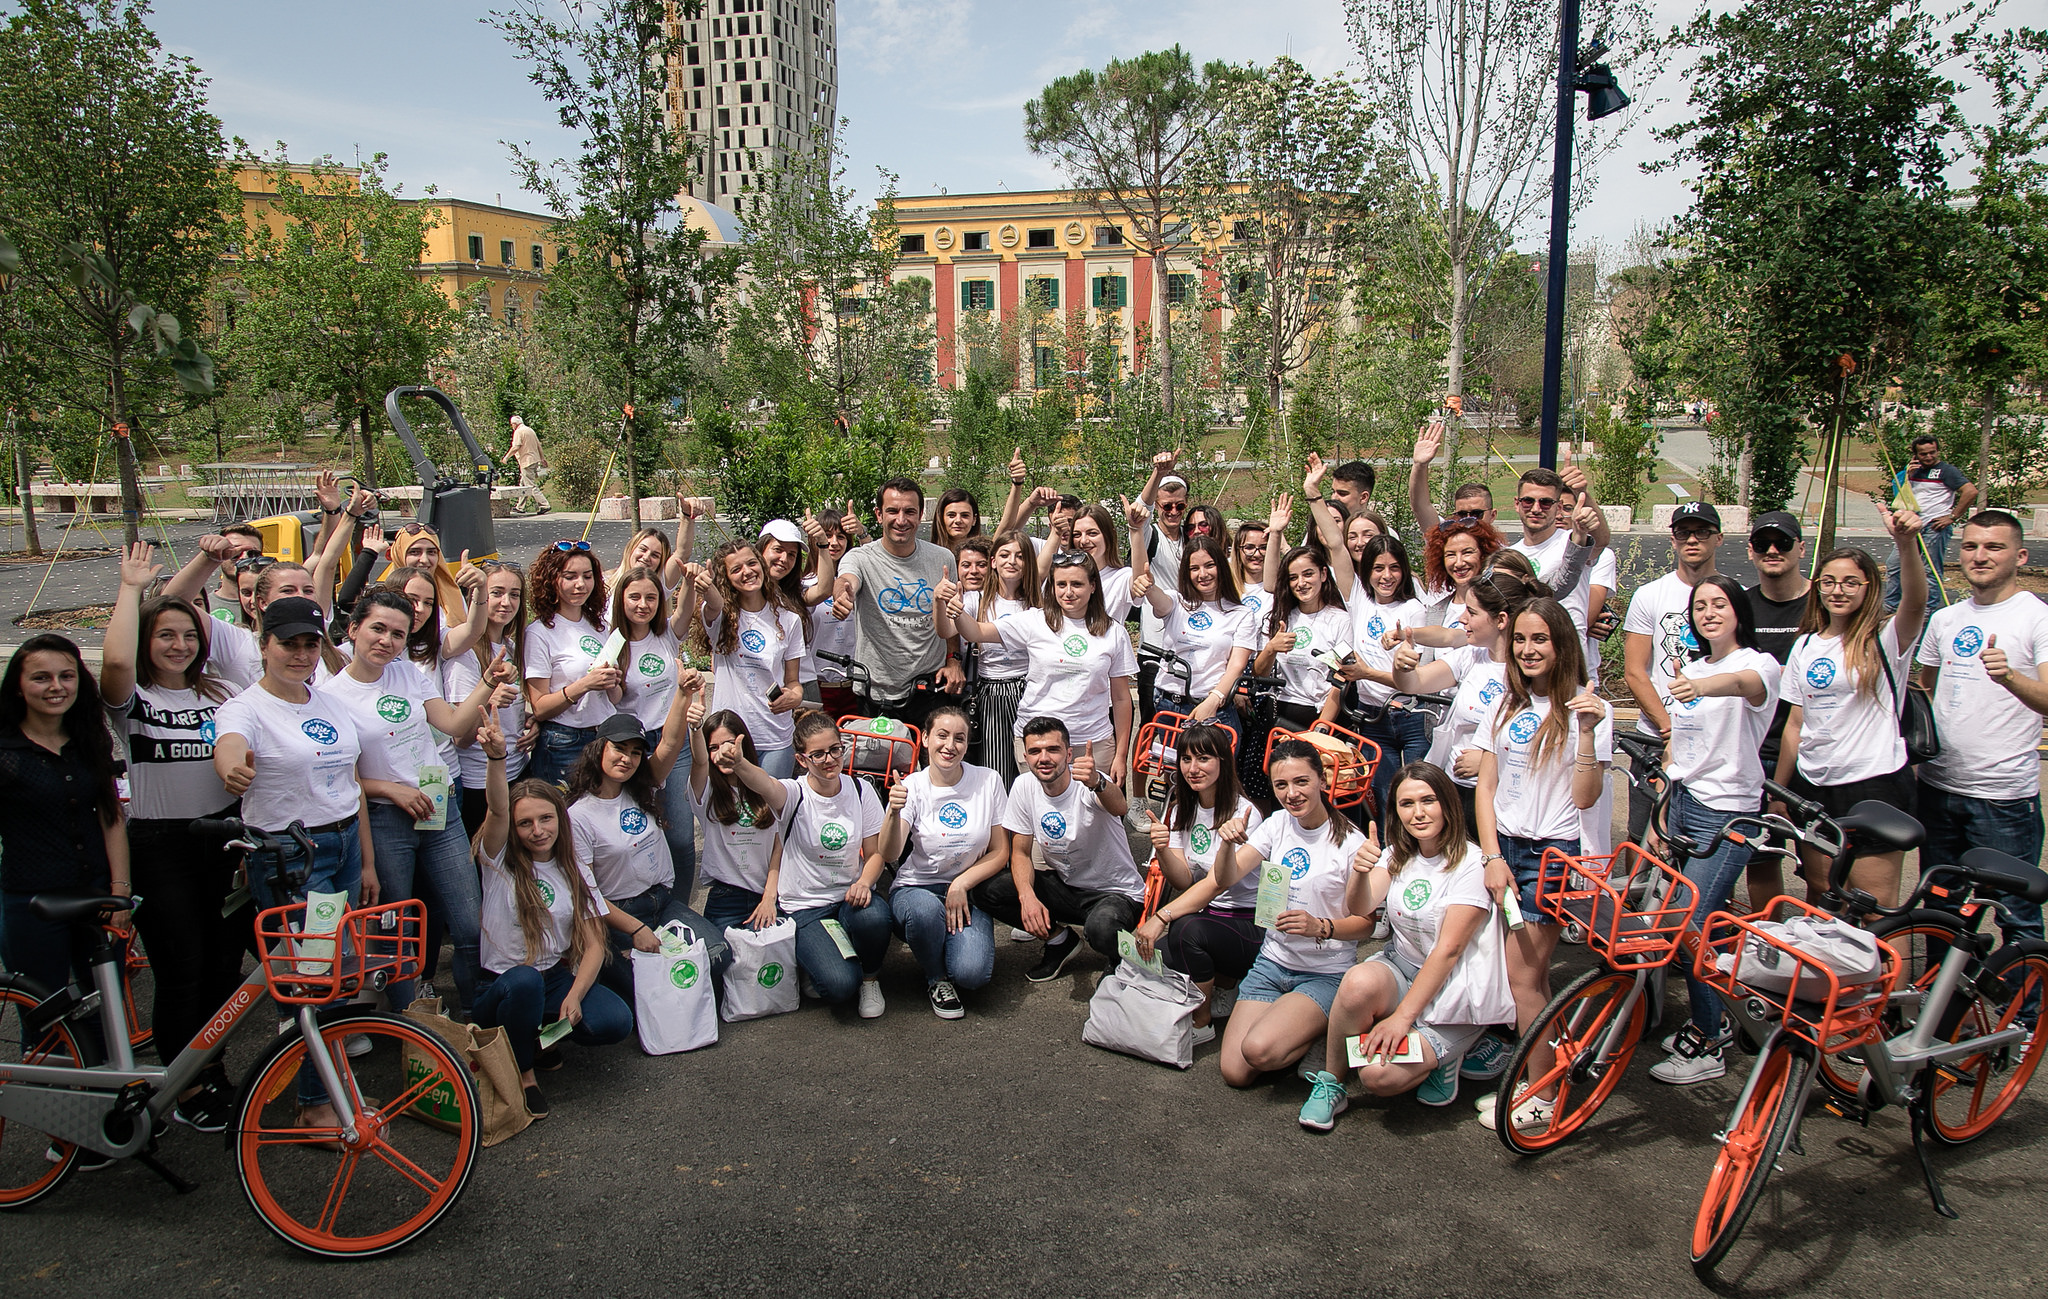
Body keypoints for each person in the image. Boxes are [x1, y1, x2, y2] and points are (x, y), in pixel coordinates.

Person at [211, 597, 376, 1134]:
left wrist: (367, 860)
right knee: (318, 978)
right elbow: (230, 748)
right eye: (288, 643)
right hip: (292, 858)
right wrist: (233, 770)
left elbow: (351, 784)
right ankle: (314, 1102)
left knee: (337, 974)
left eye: (310, 644)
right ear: (263, 646)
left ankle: (330, 1084)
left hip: (345, 844)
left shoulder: (327, 701)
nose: (301, 654)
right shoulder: (244, 708)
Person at [98, 543, 246, 1130]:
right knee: (181, 969)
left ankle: (213, 1070)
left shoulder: (220, 693)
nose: (179, 645)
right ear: (146, 643)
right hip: (161, 847)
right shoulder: (133, 698)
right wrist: (132, 590)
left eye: (188, 635)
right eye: (165, 636)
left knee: (220, 971)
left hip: (225, 843)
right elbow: (112, 666)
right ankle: (181, 1087)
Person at [327, 588, 516, 1013]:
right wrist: (390, 789)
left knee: (469, 922)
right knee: (397, 929)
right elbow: (344, 778)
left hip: (440, 807)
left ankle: (475, 1016)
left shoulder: (409, 675)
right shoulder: (331, 696)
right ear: (353, 630)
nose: (387, 641)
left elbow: (451, 724)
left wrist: (487, 683)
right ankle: (413, 1026)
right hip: (385, 820)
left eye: (397, 633)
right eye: (377, 628)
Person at [1471, 597, 1612, 1133]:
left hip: (1551, 856)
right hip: (1503, 849)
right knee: (1518, 978)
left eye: (1541, 640)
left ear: (1562, 646)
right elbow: (1484, 788)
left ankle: (1544, 1092)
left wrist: (1590, 734)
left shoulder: (1585, 709)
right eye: (1523, 640)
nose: (1529, 650)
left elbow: (1585, 797)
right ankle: (1538, 1075)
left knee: (1526, 980)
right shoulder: (1505, 704)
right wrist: (1490, 857)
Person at [1302, 762, 1508, 1128]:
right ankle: (1331, 1082)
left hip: (1453, 991)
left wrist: (1401, 1019)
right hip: (1403, 968)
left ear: (1448, 803)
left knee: (1377, 1077)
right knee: (1356, 983)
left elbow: (1449, 951)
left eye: (1428, 800)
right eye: (1406, 803)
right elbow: (1360, 907)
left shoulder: (1471, 864)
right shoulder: (1399, 853)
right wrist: (1360, 872)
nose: (1418, 813)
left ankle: (1450, 1054)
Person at [1647, 575, 1782, 1085]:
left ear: (1738, 612)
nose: (1708, 613)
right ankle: (1731, 1013)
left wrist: (1702, 685)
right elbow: (1681, 746)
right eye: (1699, 606)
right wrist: (1663, 803)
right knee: (1704, 920)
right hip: (1684, 802)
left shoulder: (1756, 664)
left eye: (1719, 603)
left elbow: (1747, 687)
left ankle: (1708, 1039)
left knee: (1692, 923)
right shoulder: (1694, 666)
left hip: (1729, 812)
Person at [471, 718, 632, 1118]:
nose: (537, 830)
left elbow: (595, 945)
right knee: (524, 980)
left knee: (615, 1022)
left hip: (553, 978)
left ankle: (537, 1042)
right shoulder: (500, 862)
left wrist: (574, 996)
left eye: (546, 819)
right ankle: (525, 1073)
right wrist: (496, 758)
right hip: (504, 984)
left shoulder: (572, 866)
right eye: (525, 822)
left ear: (560, 818)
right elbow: (495, 808)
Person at [1774, 503, 1928, 907]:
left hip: (1872, 784)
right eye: (1828, 581)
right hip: (1815, 785)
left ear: (1867, 587)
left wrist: (1906, 543)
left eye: (1849, 582)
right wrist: (1782, 789)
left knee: (1874, 904)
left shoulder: (1886, 640)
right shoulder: (1806, 644)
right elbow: (1795, 723)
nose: (1837, 590)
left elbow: (1915, 601)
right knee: (1823, 896)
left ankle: (1884, 972)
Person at [1197, 738, 1374, 1087]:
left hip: (1325, 972)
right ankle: (1300, 1028)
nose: (1291, 793)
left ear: (1322, 781)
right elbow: (1228, 877)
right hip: (1272, 962)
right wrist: (1227, 846)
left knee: (1260, 1050)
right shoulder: (1277, 824)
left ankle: (1325, 1027)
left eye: (1301, 782)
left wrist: (1320, 926)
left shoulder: (1350, 842)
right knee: (1235, 1072)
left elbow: (1366, 926)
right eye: (1281, 785)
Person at [1915, 509, 2048, 944]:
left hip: (2002, 797)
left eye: (1994, 547)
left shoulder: (2035, 617)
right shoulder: (1945, 620)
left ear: (2021, 555)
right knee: (1940, 909)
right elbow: (1926, 690)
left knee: (2015, 914)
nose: (1980, 556)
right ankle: (1943, 1007)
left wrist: (2009, 677)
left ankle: (2025, 1012)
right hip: (1939, 790)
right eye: (1971, 546)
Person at [0, 636, 130, 1033]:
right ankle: (46, 1093)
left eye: (66, 676)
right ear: (19, 686)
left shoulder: (88, 738)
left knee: (106, 1012)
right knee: (45, 1017)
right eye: (41, 678)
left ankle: (104, 1091)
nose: (56, 687)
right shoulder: (6, 751)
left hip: (95, 893)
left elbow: (111, 816)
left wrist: (121, 891)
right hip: (32, 899)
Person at [731, 711, 892, 1016]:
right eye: (817, 754)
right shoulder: (794, 794)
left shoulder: (861, 790)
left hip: (848, 896)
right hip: (804, 906)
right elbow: (765, 784)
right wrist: (740, 764)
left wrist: (864, 882)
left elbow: (875, 854)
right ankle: (818, 958)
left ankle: (870, 978)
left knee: (875, 918)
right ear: (802, 760)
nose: (829, 759)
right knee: (840, 986)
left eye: (835, 749)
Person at [566, 688, 730, 985]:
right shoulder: (578, 816)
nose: (627, 758)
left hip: (662, 903)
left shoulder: (644, 788)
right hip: (616, 913)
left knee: (718, 954)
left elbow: (668, 743)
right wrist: (634, 929)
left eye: (636, 752)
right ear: (599, 749)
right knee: (647, 983)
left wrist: (682, 694)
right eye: (619, 748)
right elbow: (588, 894)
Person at [940, 550, 1135, 784]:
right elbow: (977, 631)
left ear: (1093, 586)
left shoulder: (1114, 632)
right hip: (1037, 741)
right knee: (1042, 816)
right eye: (1061, 584)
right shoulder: (1034, 621)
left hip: (1092, 743)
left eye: (1077, 584)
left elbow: (1122, 698)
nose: (1068, 592)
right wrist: (957, 611)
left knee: (1092, 815)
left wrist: (1122, 755)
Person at [974, 716, 1146, 982]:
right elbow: (1019, 852)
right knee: (988, 890)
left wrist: (1098, 782)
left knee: (1101, 929)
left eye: (1053, 750)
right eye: (1035, 751)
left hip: (1114, 893)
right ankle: (1060, 942)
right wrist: (1027, 897)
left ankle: (1120, 961)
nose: (1044, 758)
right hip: (1067, 888)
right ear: (1025, 755)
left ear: (1068, 754)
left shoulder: (1088, 781)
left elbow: (1119, 807)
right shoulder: (1024, 786)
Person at [1130, 721, 1266, 1041]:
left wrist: (1160, 917)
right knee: (1142, 955)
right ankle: (1223, 981)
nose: (1193, 768)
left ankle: (1202, 1022)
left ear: (1223, 761)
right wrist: (1162, 850)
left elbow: (1216, 883)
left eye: (1204, 759)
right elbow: (1184, 879)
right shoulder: (1182, 810)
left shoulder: (1244, 814)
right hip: (1209, 917)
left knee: (1185, 931)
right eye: (1187, 759)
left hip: (1248, 923)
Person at [880, 705, 1009, 1018]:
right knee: (925, 913)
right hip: (917, 889)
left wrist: (962, 882)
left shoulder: (989, 780)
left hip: (969, 891)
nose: (950, 745)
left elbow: (1000, 851)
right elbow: (889, 853)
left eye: (960, 738)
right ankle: (936, 977)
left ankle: (946, 949)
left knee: (972, 975)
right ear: (925, 738)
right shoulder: (912, 786)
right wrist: (893, 811)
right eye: (942, 735)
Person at [1388, 572, 1534, 834]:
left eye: (1471, 612)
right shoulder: (1470, 656)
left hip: (1504, 797)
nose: (1461, 618)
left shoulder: (1530, 669)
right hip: (1456, 789)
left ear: (1500, 620)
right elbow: (1413, 683)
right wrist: (1402, 666)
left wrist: (1491, 759)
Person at [1622, 501, 1724, 845]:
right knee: (1641, 835)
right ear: (1673, 540)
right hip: (1654, 735)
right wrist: (1668, 728)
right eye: (1683, 533)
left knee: (1697, 838)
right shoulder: (1650, 595)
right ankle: (1636, 902)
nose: (1692, 540)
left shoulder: (1731, 598)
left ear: (1719, 539)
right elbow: (1635, 671)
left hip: (1712, 740)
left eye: (1701, 532)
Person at [831, 477, 966, 732]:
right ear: (879, 515)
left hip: (929, 689)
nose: (901, 520)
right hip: (875, 691)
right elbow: (847, 580)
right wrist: (843, 594)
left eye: (909, 511)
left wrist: (953, 659)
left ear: (921, 515)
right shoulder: (860, 557)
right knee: (878, 768)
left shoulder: (942, 558)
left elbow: (951, 615)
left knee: (933, 768)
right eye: (892, 511)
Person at [613, 562, 701, 905]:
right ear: (622, 600)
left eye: (651, 597)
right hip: (631, 748)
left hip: (673, 742)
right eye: (634, 596)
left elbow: (686, 610)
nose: (642, 604)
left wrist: (690, 583)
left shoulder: (665, 634)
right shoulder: (613, 644)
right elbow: (613, 700)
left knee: (680, 836)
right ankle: (643, 904)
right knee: (639, 833)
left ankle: (678, 907)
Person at [1741, 511, 1811, 909]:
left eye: (1783, 543)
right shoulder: (1743, 607)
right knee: (1762, 858)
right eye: (1763, 543)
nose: (1772, 550)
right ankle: (1769, 939)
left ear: (1801, 548)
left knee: (1820, 871)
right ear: (1750, 552)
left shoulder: (1823, 602)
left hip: (1814, 755)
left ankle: (1821, 948)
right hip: (1758, 751)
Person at [694, 539, 806, 778]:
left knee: (771, 812)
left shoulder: (789, 620)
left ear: (762, 566)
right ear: (726, 578)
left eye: (752, 563)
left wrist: (795, 695)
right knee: (733, 813)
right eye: (736, 569)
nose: (747, 572)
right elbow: (714, 603)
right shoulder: (722, 617)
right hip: (728, 737)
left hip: (775, 736)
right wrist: (708, 585)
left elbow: (793, 681)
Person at [1134, 534, 1256, 738]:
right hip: (1168, 706)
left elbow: (1236, 665)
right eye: (1194, 568)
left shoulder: (1241, 614)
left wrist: (1213, 701)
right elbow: (1159, 600)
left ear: (1221, 567)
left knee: (1212, 769)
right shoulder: (1177, 602)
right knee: (1173, 769)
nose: (1203, 574)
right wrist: (1149, 587)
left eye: (1209, 565)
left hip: (1214, 710)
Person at [523, 540, 621, 786]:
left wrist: (611, 682)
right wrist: (585, 684)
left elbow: (615, 698)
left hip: (603, 736)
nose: (581, 584)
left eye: (587, 576)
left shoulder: (599, 626)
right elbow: (540, 708)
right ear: (552, 580)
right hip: (564, 742)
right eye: (570, 576)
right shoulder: (540, 632)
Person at [450, 561, 537, 837]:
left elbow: (510, 714)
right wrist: (489, 699)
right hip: (480, 781)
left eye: (514, 595)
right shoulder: (464, 656)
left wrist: (531, 722)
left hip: (517, 769)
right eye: (496, 593)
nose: (506, 602)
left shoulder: (510, 646)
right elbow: (460, 738)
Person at [689, 707, 786, 934]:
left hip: (769, 893)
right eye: (713, 747)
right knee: (722, 961)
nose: (722, 752)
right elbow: (700, 763)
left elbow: (778, 848)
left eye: (729, 744)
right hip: (726, 897)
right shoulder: (706, 790)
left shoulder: (767, 786)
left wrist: (769, 897)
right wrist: (695, 728)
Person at [953, 529, 1037, 783]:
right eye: (1004, 555)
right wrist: (946, 605)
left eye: (1020, 556)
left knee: (1033, 765)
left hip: (1030, 688)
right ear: (994, 562)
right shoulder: (975, 599)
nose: (1012, 561)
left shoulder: (1037, 602)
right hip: (992, 689)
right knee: (997, 767)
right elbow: (946, 629)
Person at [1252, 541, 1351, 733]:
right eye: (1293, 578)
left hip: (1320, 714)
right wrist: (1271, 648)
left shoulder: (1341, 620)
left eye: (1308, 574)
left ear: (1323, 574)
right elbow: (1259, 673)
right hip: (1281, 711)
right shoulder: (1280, 617)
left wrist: (1322, 727)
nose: (1301, 583)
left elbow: (1341, 678)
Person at [1885, 433, 1977, 614]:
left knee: (1929, 570)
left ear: (1937, 451)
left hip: (1933, 526)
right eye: (1923, 454)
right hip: (1910, 525)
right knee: (1895, 565)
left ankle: (1927, 611)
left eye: (1932, 453)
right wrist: (1907, 475)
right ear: (1915, 455)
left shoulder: (1946, 471)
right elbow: (1898, 493)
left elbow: (1970, 491)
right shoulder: (1911, 471)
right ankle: (1890, 607)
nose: (1928, 457)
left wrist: (1953, 516)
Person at [807, 510, 861, 717]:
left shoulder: (858, 581)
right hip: (819, 685)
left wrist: (862, 532)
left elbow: (880, 564)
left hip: (856, 685)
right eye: (827, 536)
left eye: (841, 537)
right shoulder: (805, 583)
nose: (834, 542)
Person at [1408, 414, 1499, 533]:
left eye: (1476, 514)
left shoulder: (1503, 551)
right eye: (1461, 515)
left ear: (1492, 515)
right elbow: (1420, 506)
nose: (1468, 521)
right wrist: (1420, 465)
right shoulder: (1446, 541)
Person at [929, 487, 983, 553]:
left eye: (965, 515)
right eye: (951, 515)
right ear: (941, 518)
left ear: (974, 519)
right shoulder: (928, 555)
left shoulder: (986, 557)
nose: (958, 520)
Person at [506, 414, 547, 490]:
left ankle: (544, 502)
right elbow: (539, 446)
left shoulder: (518, 432)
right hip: (534, 460)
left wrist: (506, 457)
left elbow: (516, 447)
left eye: (512, 424)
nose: (512, 426)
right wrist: (542, 458)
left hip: (526, 461)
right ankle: (520, 502)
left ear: (515, 424)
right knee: (523, 485)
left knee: (530, 486)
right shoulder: (530, 430)